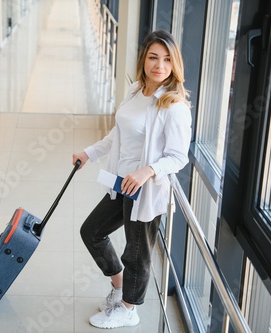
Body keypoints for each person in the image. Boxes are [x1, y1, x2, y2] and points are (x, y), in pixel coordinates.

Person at [72, 30, 192, 329]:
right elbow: (118, 134)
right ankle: (118, 284)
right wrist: (89, 153)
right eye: (153, 57)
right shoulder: (136, 90)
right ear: (144, 59)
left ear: (174, 64)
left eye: (167, 60)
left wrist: (147, 171)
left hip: (145, 190)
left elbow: (179, 157)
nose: (159, 65)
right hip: (120, 184)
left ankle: (129, 308)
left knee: (136, 253)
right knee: (92, 231)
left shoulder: (174, 106)